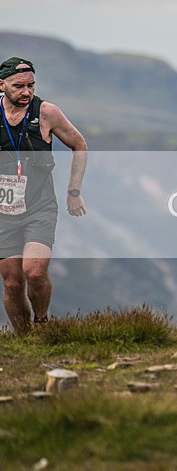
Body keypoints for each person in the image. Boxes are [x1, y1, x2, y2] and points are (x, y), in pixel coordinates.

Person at [0, 57, 88, 333]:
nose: (26, 92)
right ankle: (25, 338)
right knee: (12, 281)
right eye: (18, 86)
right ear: (1, 85)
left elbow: (80, 145)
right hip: (3, 211)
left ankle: (41, 325)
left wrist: (73, 192)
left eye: (31, 85)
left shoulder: (47, 113)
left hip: (40, 207)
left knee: (35, 271)